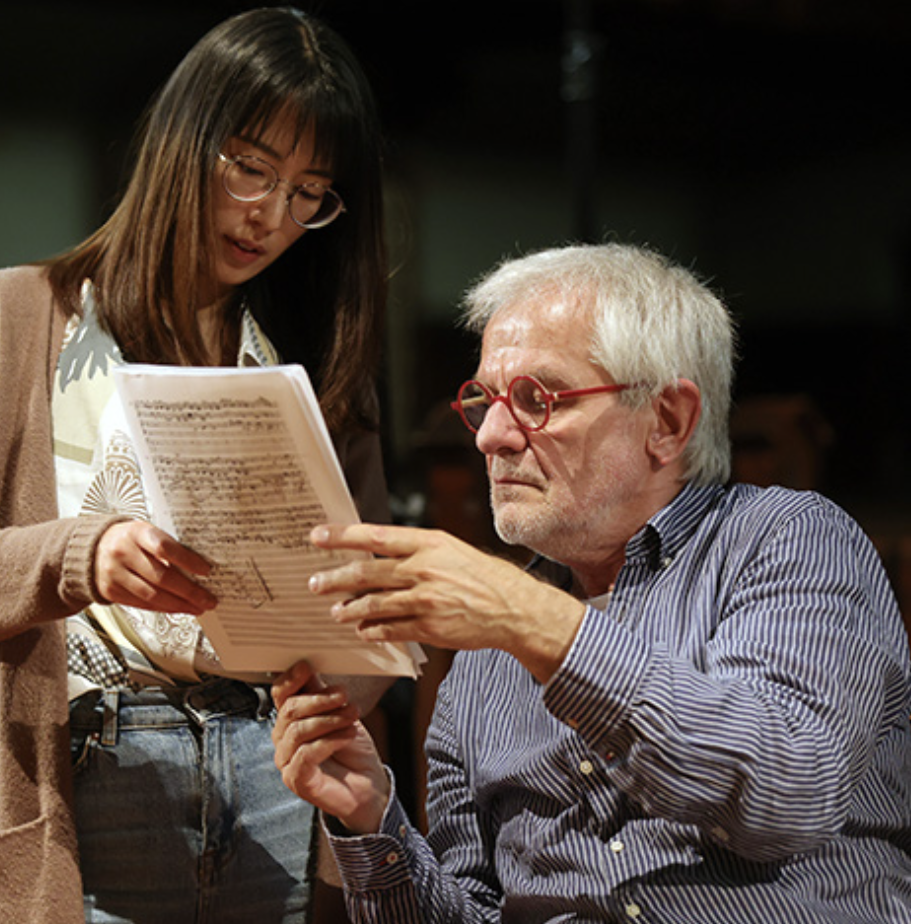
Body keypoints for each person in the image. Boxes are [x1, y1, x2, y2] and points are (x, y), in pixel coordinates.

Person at [0, 8, 393, 922]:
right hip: (94, 761)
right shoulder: (7, 317)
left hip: (271, 770)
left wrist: (341, 674)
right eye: (251, 168)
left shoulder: (310, 363)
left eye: (308, 194)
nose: (270, 216)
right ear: (181, 139)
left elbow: (372, 611)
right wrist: (83, 553)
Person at [271, 243, 911, 922]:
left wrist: (531, 621)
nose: (490, 436)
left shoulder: (787, 540)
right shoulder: (484, 658)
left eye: (535, 399)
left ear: (667, 421)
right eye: (484, 400)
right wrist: (372, 820)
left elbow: (787, 795)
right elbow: (474, 910)